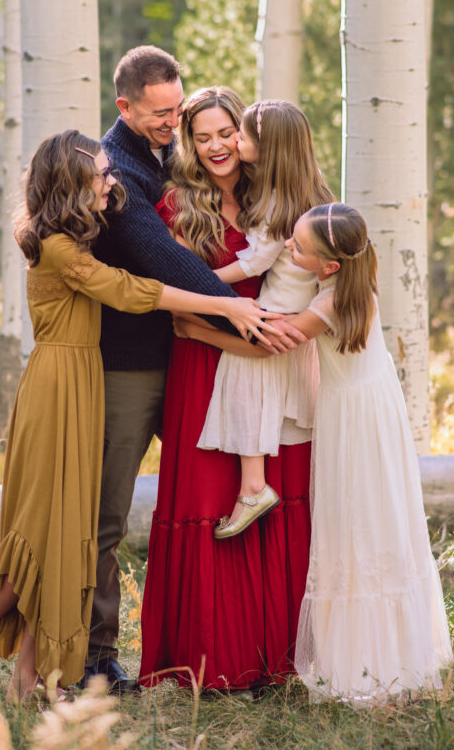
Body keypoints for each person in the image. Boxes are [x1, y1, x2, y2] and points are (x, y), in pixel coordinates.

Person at [0, 130, 279, 703]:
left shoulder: (80, 231)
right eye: (101, 174)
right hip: (57, 389)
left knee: (68, 531)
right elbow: (131, 292)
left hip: (83, 382)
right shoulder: (57, 246)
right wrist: (221, 303)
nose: (111, 181)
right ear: (72, 185)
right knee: (42, 530)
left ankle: (32, 677)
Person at [86, 47, 303, 692]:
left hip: (248, 372)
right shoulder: (132, 175)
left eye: (182, 112)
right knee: (130, 511)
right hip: (158, 359)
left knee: (258, 502)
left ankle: (272, 651)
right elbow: (161, 264)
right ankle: (105, 657)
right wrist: (244, 316)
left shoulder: (262, 192)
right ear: (126, 108)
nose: (196, 135)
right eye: (178, 121)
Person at [138, 88, 313, 692]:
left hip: (280, 370)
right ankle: (212, 660)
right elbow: (183, 314)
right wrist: (245, 338)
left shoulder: (278, 197)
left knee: (275, 495)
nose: (216, 147)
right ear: (189, 143)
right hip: (206, 365)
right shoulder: (179, 207)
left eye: (225, 134)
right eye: (202, 137)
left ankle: (280, 656)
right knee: (212, 502)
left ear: (244, 135)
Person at [283, 202, 453, 704]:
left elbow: (276, 339)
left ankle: (363, 666)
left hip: (354, 421)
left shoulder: (330, 305)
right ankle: (391, 651)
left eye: (297, 246)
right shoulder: (358, 277)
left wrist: (202, 326)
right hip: (377, 409)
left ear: (329, 266)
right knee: (380, 519)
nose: (288, 247)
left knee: (352, 525)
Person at [196, 100, 333, 538]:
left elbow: (254, 262)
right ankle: (253, 485)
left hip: (277, 311)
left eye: (242, 136)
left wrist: (202, 284)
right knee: (261, 390)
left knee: (242, 380)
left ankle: (253, 486)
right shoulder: (312, 194)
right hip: (298, 311)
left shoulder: (278, 202)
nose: (235, 141)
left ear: (268, 148)